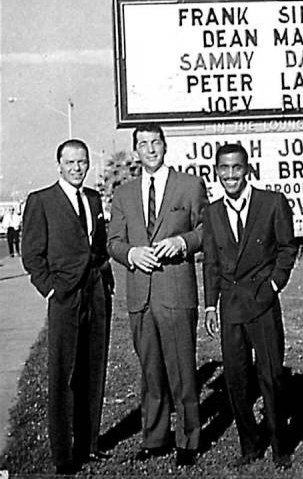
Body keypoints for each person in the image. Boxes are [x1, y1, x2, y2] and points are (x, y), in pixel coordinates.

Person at [108, 124, 207, 468]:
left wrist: (183, 243)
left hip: (176, 291)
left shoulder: (189, 185)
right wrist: (130, 254)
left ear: (165, 146)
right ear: (136, 150)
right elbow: (113, 241)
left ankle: (189, 439)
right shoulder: (123, 194)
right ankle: (155, 438)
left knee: (182, 370)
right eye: (143, 144)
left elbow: (206, 229)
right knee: (150, 371)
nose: (150, 149)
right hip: (140, 294)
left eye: (155, 143)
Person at [21, 139, 114, 474]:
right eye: (71, 162)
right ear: (58, 164)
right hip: (64, 297)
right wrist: (49, 288)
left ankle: (89, 444)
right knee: (64, 374)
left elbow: (98, 245)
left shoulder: (92, 198)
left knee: (94, 368)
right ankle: (64, 454)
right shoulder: (42, 201)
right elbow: (32, 254)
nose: (77, 168)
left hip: (96, 293)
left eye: (82, 162)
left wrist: (104, 280)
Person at [204, 143, 297, 469]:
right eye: (224, 169)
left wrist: (274, 283)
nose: (230, 175)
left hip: (263, 303)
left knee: (271, 375)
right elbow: (211, 263)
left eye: (236, 168)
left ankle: (279, 444)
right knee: (236, 379)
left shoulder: (271, 203)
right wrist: (210, 306)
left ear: (248, 169)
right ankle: (250, 444)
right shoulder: (212, 212)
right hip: (229, 307)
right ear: (217, 171)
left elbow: (288, 248)